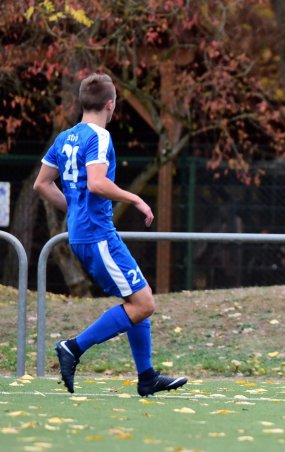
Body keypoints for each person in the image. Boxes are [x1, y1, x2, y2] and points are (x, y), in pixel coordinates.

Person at [33, 73, 188, 396]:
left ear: (81, 103)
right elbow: (96, 183)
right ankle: (73, 348)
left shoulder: (65, 138)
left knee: (136, 296)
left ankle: (147, 377)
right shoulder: (100, 137)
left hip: (85, 234)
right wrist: (135, 199)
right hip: (98, 235)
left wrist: (73, 210)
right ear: (110, 105)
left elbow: (42, 184)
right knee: (144, 304)